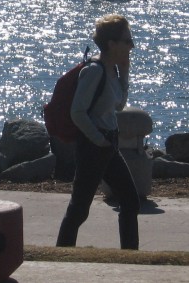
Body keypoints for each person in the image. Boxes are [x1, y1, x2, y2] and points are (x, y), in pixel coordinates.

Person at [56, 14, 140, 250]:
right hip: (94, 144)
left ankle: (130, 257)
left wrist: (125, 73)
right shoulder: (94, 71)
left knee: (130, 201)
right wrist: (98, 140)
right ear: (111, 44)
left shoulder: (112, 69)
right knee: (79, 209)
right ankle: (61, 254)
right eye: (127, 40)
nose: (131, 45)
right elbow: (77, 112)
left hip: (108, 142)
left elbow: (119, 104)